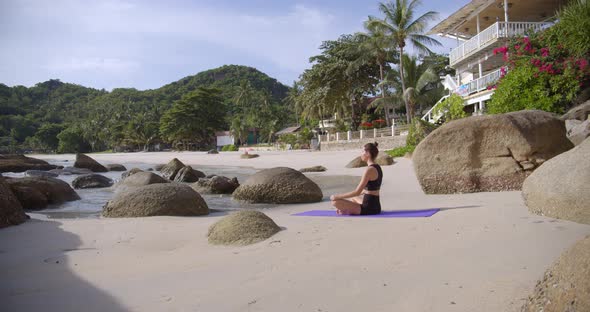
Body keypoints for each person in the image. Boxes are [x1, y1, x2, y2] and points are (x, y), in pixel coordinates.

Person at [330, 142, 382, 215]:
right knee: (354, 198)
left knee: (335, 202)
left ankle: (346, 211)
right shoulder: (377, 167)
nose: (361, 154)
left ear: (368, 153)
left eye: (362, 151)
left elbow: (357, 192)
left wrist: (337, 196)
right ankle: (348, 210)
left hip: (368, 208)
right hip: (376, 206)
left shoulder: (369, 170)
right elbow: (367, 190)